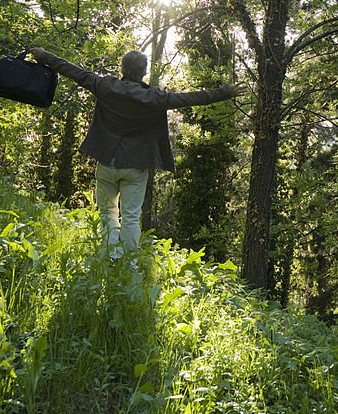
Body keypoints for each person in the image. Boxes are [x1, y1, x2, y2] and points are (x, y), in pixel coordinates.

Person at [30, 47, 245, 259]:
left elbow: (72, 70)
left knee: (107, 214)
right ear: (144, 72)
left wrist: (43, 55)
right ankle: (128, 267)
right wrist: (225, 93)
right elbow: (190, 98)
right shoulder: (155, 97)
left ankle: (113, 257)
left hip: (107, 162)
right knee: (131, 218)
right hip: (136, 165)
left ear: (123, 68)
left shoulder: (105, 86)